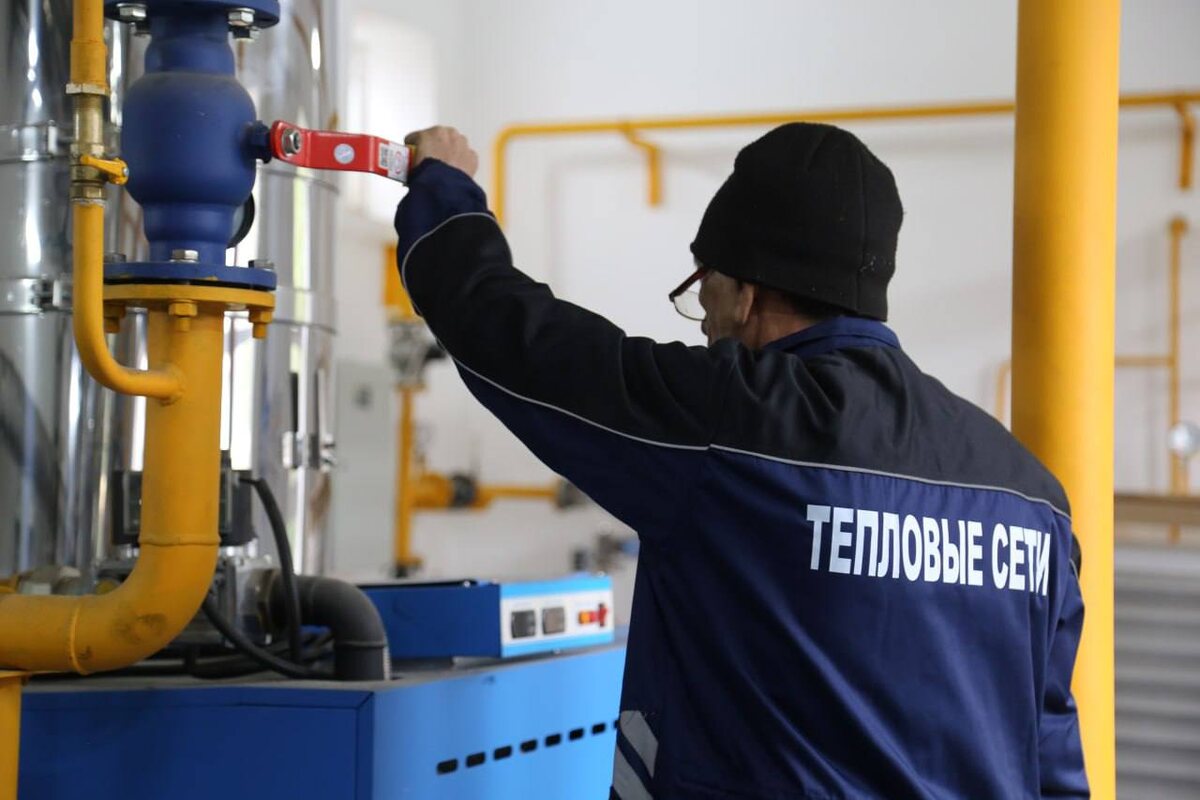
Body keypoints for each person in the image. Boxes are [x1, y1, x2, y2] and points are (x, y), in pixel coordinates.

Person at [393, 122, 1088, 799]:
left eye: (704, 296)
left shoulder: (732, 425)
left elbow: (509, 334)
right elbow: (1052, 753)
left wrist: (445, 190)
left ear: (746, 292)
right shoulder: (1033, 496)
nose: (707, 325)